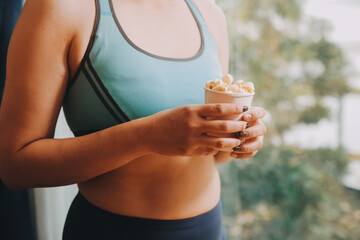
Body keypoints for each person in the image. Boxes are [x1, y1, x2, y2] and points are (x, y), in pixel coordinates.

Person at [0, 0, 266, 239]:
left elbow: (215, 156)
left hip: (209, 229)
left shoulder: (211, 14)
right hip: (112, 230)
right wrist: (146, 136)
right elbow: (15, 167)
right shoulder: (60, 6)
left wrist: (239, 137)